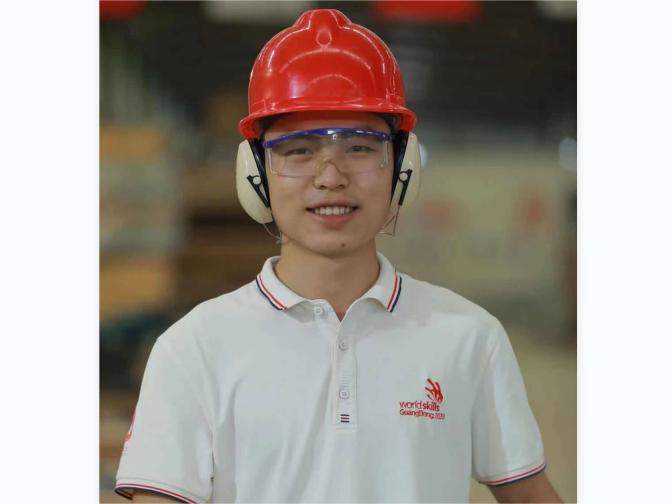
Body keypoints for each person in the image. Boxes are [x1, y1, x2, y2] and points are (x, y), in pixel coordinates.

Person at [115, 9, 562, 503]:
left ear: (402, 168)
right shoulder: (195, 349)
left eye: (360, 148)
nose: (330, 176)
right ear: (254, 175)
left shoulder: (468, 338)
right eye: (298, 150)